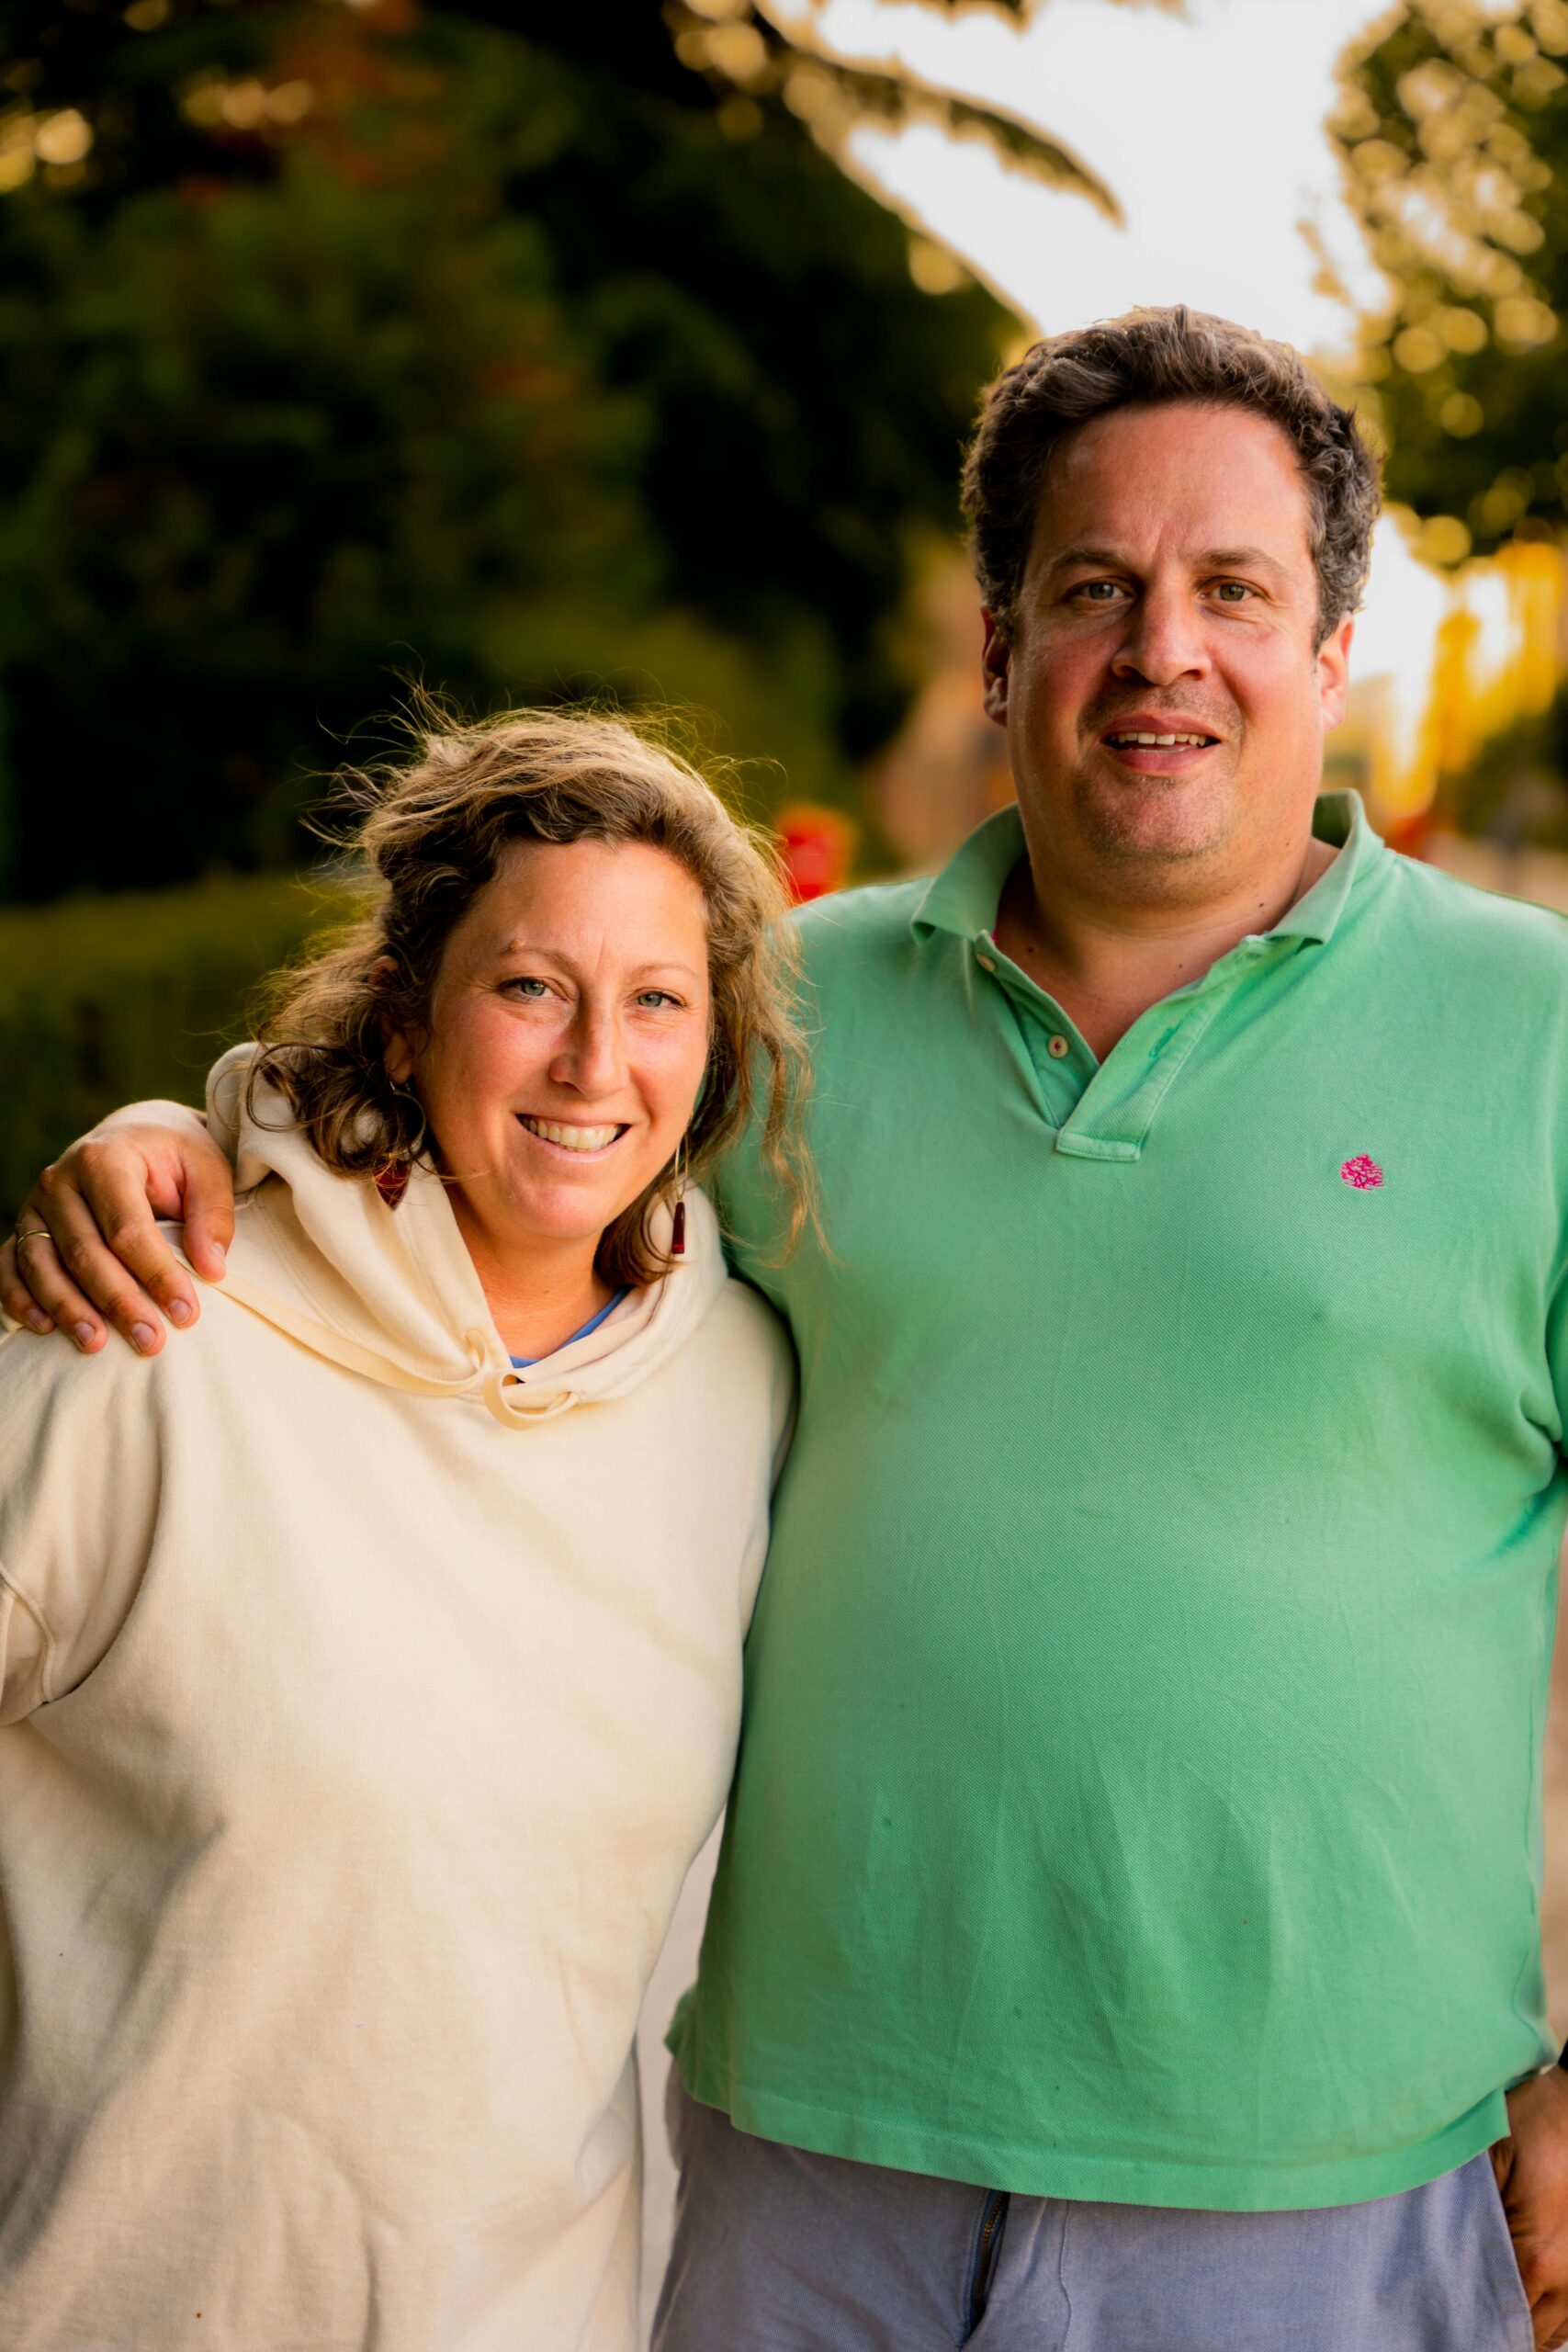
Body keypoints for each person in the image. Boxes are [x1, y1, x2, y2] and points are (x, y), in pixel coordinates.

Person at [12, 305, 1568, 2352]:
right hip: (812, 2178)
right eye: (1090, 587)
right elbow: (482, 1159)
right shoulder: (770, 1018)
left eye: (1230, 591)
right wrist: (174, 1130)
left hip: (1313, 2193)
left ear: (1327, 649)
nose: (1160, 648)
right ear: (1000, 646)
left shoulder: (1533, 1031)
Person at [0, 707, 802, 2352]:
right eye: (529, 987)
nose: (596, 1063)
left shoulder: (739, 1390)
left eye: (658, 1001)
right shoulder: (157, 1330)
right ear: (402, 1010)